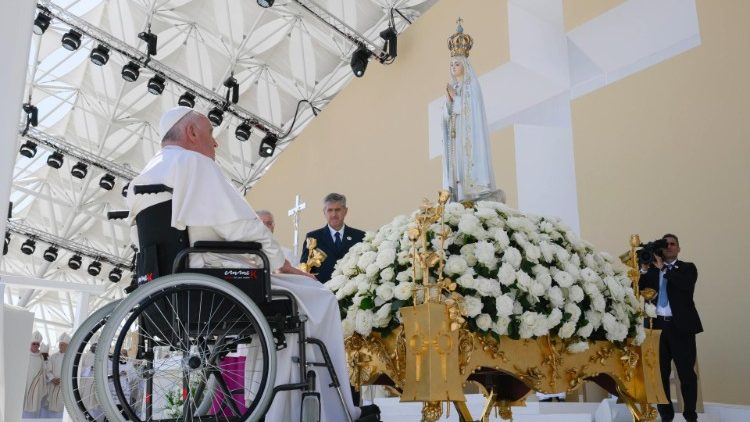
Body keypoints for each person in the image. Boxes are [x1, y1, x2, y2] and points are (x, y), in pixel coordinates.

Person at [126, 106, 379, 422]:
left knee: (276, 320)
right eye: (210, 134)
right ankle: (328, 411)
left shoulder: (143, 178)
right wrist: (280, 262)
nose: (215, 144)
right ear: (191, 133)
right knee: (320, 298)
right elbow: (241, 225)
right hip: (214, 282)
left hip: (170, 291)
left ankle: (280, 410)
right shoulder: (195, 164)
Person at [639, 234, 702, 422]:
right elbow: (638, 288)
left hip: (680, 328)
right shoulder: (651, 270)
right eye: (665, 245)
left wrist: (664, 268)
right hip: (656, 327)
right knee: (659, 374)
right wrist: (643, 268)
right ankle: (666, 415)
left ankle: (690, 415)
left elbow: (684, 284)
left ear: (679, 249)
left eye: (672, 244)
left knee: (686, 374)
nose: (669, 247)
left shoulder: (687, 268)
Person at [442, 20, 504, 203]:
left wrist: (456, 99)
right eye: (452, 64)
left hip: (468, 137)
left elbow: (473, 111)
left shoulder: (472, 86)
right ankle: (458, 196)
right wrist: (448, 103)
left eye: (457, 64)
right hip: (455, 138)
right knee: (456, 166)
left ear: (465, 66)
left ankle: (474, 194)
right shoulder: (454, 87)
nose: (453, 68)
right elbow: (447, 116)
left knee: (467, 165)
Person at [299, 193, 365, 283]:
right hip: (322, 291)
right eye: (330, 210)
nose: (334, 214)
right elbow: (305, 268)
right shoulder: (313, 237)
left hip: (352, 291)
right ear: (324, 212)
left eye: (337, 210)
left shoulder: (359, 237)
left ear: (345, 211)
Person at [41, 332, 70, 418]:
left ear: (68, 346)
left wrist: (63, 380)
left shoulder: (70, 358)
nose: (61, 346)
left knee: (59, 409)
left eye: (63, 345)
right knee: (49, 407)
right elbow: (48, 370)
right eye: (60, 344)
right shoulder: (53, 356)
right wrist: (53, 378)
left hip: (63, 386)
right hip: (52, 384)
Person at [23, 331, 47, 418]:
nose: (36, 346)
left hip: (36, 386)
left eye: (38, 344)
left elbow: (44, 371)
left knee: (33, 412)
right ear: (30, 344)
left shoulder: (41, 357)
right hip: (24, 384)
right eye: (34, 343)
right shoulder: (24, 355)